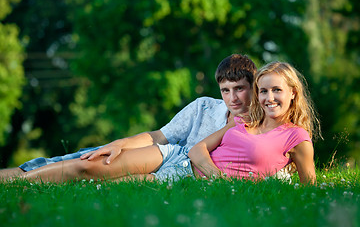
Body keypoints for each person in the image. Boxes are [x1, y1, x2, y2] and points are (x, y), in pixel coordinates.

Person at [0, 54, 258, 181]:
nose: (232, 98)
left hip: (169, 173)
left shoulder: (257, 127)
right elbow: (158, 136)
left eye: (239, 89)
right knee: (69, 160)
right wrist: (120, 144)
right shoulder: (204, 107)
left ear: (253, 87)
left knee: (85, 180)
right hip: (153, 155)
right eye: (226, 90)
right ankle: (13, 181)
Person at [189, 61, 320, 184]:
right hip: (181, 164)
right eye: (263, 91)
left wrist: (222, 184)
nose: (269, 98)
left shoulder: (296, 136)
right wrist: (219, 180)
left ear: (293, 93)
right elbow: (196, 150)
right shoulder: (245, 119)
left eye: (277, 90)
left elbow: (309, 188)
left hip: (196, 183)